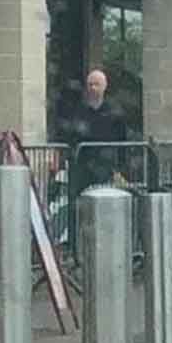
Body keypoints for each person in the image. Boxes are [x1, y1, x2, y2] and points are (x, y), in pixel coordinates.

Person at [55, 69, 128, 257]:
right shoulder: (78, 111)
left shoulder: (114, 112)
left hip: (104, 166)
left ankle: (105, 244)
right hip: (81, 165)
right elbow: (69, 136)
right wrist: (63, 159)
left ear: (105, 87)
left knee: (104, 203)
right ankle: (73, 245)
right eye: (89, 84)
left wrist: (121, 167)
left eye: (96, 84)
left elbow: (123, 141)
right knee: (73, 204)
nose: (92, 88)